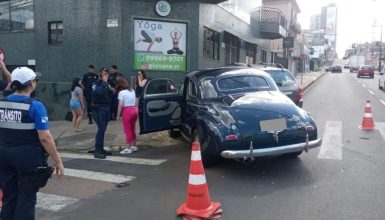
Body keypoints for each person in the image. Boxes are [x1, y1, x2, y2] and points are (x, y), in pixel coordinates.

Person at [0, 67, 64, 220]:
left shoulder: (1, 103)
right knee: (26, 199)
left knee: (9, 197)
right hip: (27, 159)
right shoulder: (35, 106)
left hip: (3, 156)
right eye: (35, 80)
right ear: (30, 84)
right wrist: (57, 160)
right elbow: (45, 138)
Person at [92, 68, 115, 159]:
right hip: (99, 108)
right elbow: (98, 92)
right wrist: (104, 83)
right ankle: (97, 150)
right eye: (104, 74)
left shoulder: (107, 84)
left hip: (106, 107)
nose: (107, 76)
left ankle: (101, 148)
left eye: (107, 74)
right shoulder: (95, 84)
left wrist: (112, 90)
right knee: (101, 129)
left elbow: (110, 94)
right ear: (100, 75)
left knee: (103, 129)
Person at [116, 77, 138, 154]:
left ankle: (128, 148)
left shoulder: (121, 93)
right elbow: (136, 102)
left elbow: (120, 105)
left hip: (127, 111)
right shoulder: (132, 90)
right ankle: (134, 146)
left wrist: (118, 115)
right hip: (134, 110)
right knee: (133, 129)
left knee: (127, 130)